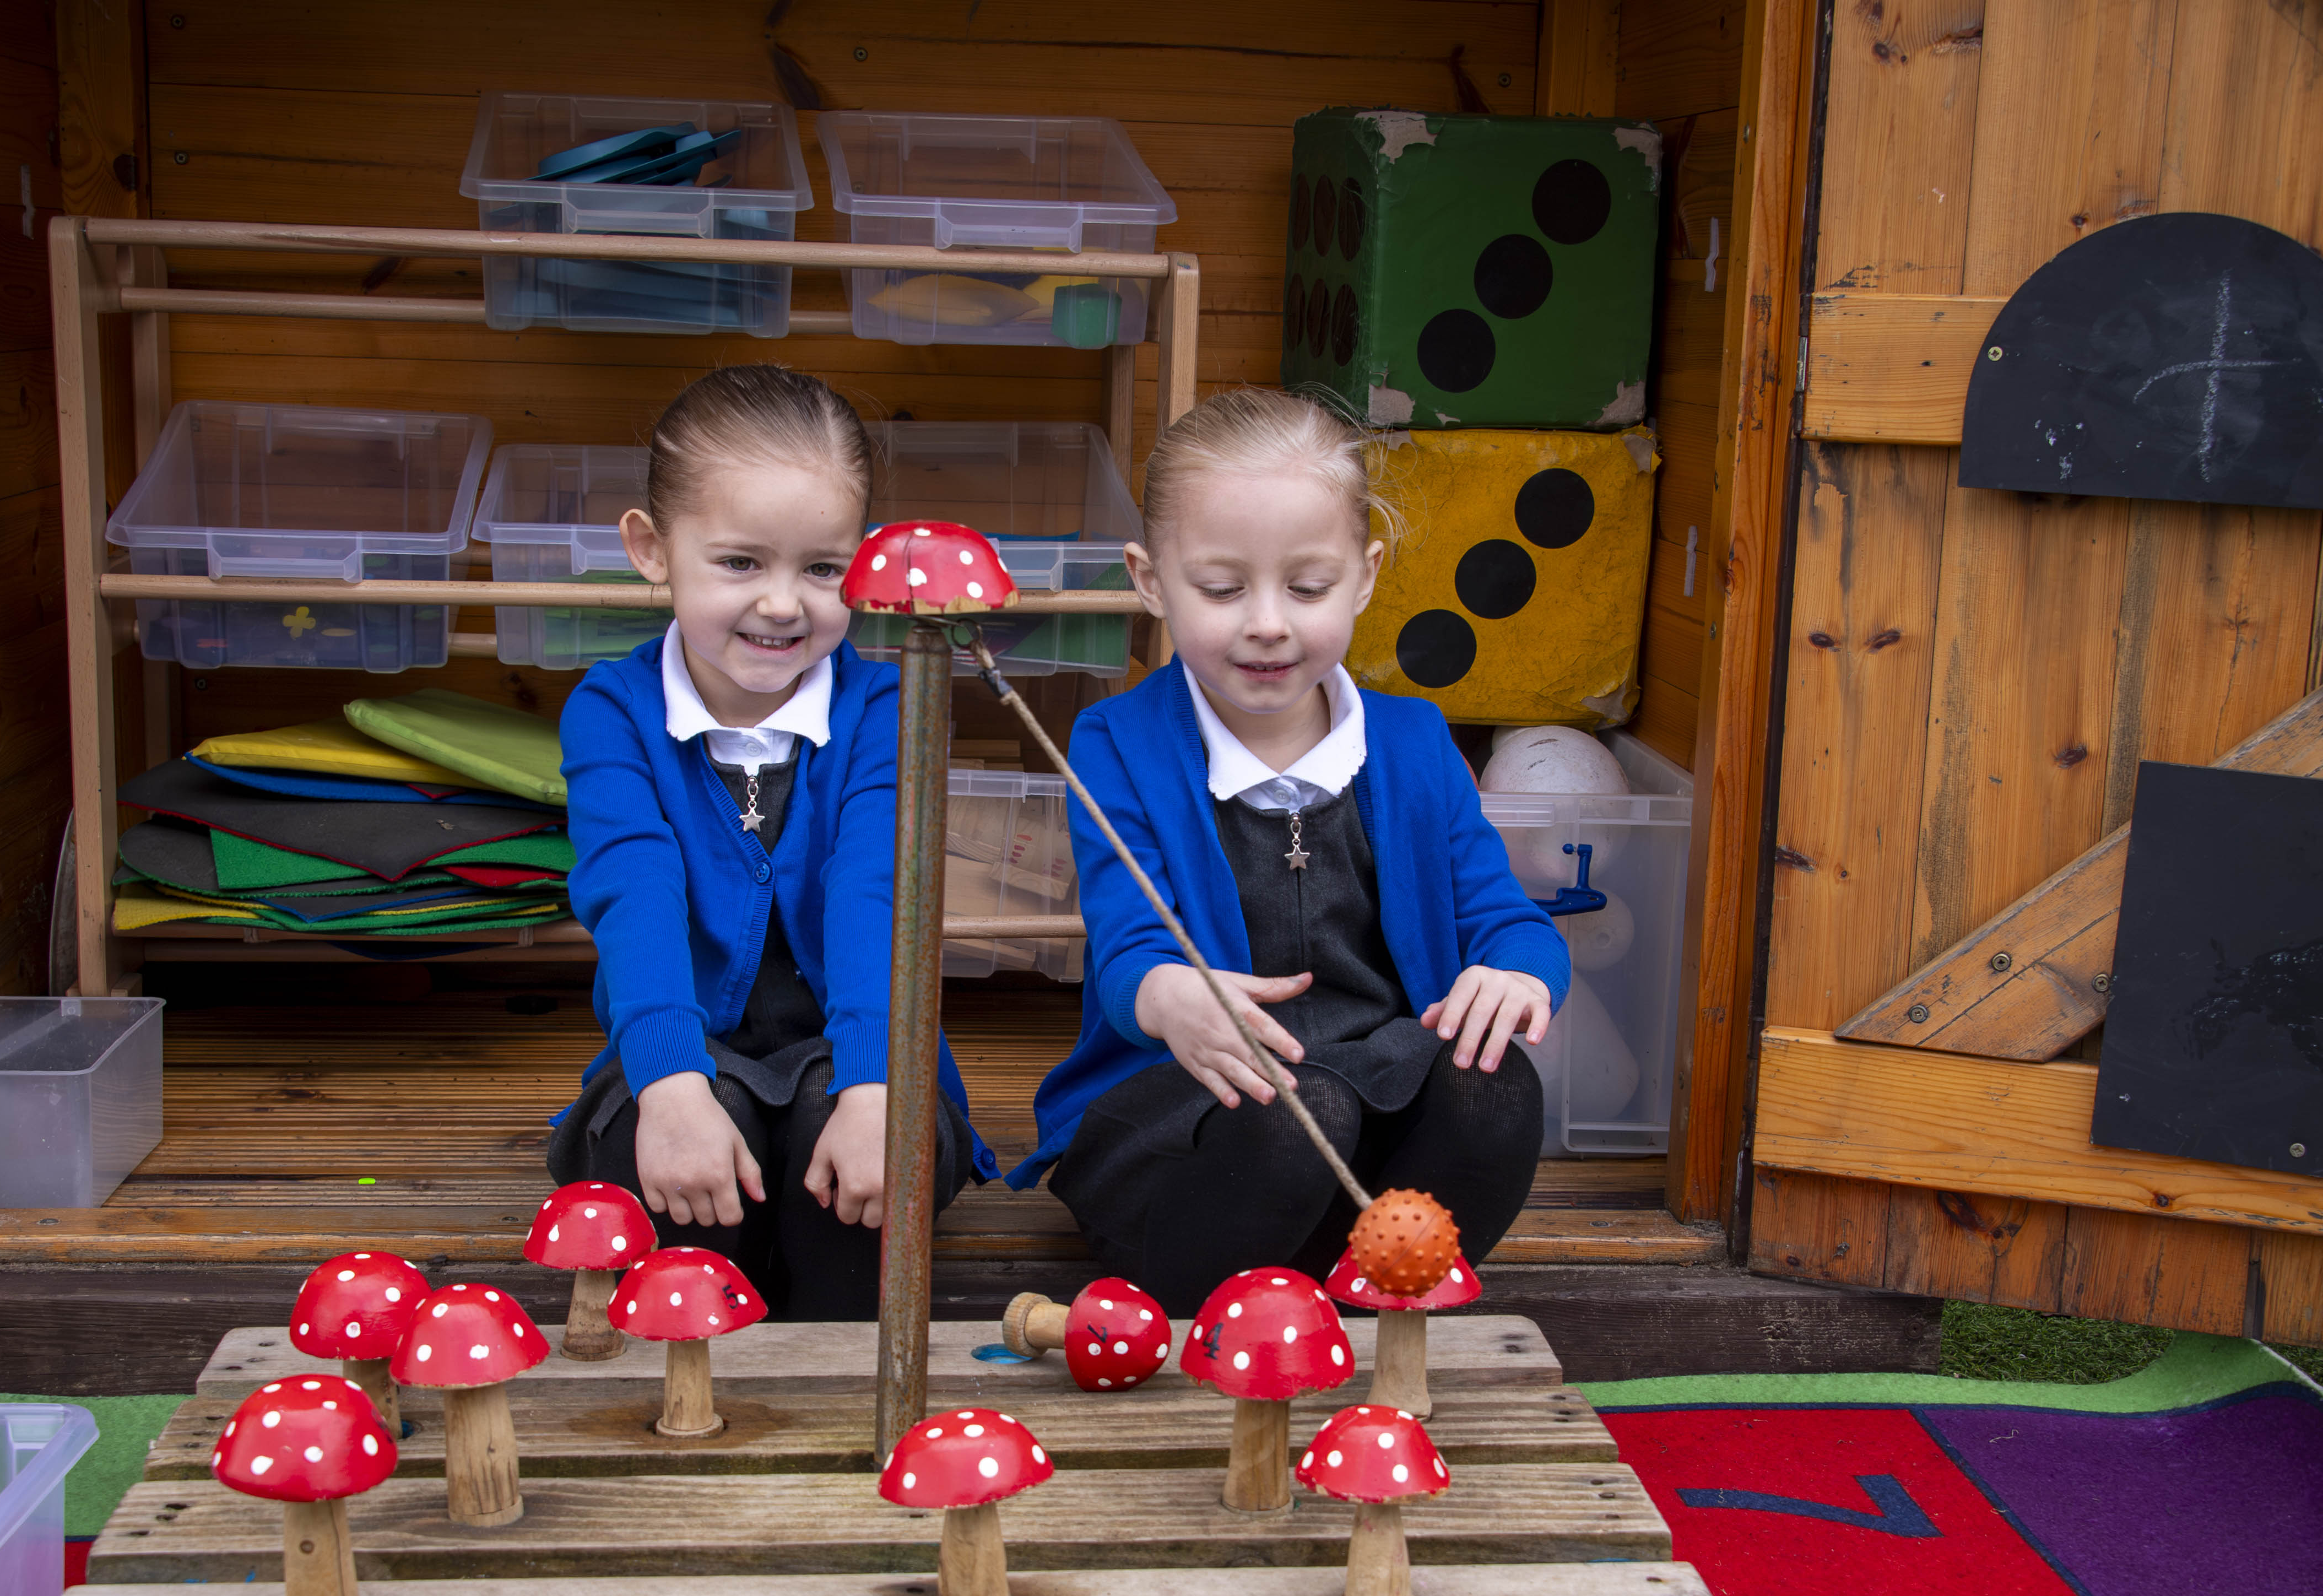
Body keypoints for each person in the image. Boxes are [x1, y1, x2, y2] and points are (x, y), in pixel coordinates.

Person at [1011, 389, 1566, 1315]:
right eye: (1222, 589)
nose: (1267, 622)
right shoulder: (1120, 742)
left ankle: (1363, 1304)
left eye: (1306, 588)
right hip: (1191, 1112)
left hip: (1371, 1105)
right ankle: (1201, 1308)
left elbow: (1507, 918)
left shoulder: (1417, 742)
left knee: (1495, 1088)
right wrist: (1168, 994)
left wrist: (1519, 976)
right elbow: (1127, 934)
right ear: (1151, 582)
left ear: (1364, 576)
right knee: (1300, 1115)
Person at [549, 364, 995, 1319]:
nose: (786, 605)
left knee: (844, 1155)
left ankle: (838, 1396)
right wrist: (670, 1086)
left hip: (856, 1047)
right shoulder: (612, 713)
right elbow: (635, 894)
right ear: (652, 549)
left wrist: (879, 1086)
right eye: (741, 563)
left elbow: (879, 896)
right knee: (661, 1158)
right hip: (684, 1046)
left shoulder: (889, 707)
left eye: (823, 568)